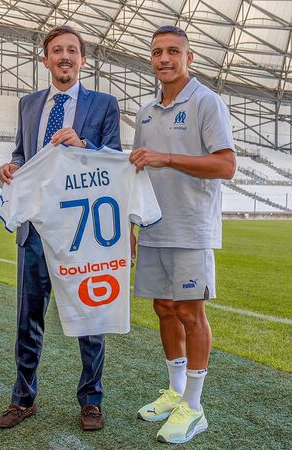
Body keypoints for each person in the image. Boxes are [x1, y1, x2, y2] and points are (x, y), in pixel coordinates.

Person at [0, 25, 121, 431]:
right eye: (56, 51)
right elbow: (21, 153)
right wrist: (11, 167)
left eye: (72, 51)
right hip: (35, 229)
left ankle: (91, 400)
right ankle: (23, 399)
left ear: (83, 60)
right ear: (45, 59)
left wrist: (84, 147)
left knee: (90, 317)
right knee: (27, 318)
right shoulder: (29, 104)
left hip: (81, 231)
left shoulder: (104, 104)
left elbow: (115, 159)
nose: (65, 56)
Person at [129, 26, 236, 445]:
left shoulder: (206, 102)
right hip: (154, 226)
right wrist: (134, 226)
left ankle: (194, 406)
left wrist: (167, 157)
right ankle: (175, 392)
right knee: (163, 308)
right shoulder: (145, 112)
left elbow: (226, 165)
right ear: (151, 60)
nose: (164, 59)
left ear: (188, 57)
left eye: (173, 51)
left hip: (191, 227)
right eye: (157, 52)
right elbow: (137, 171)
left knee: (191, 313)